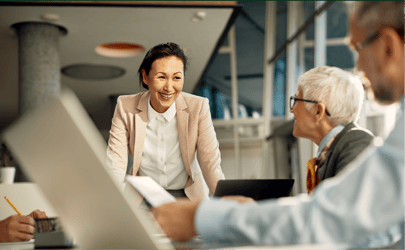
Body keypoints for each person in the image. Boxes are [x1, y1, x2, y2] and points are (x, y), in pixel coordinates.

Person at [152, 1, 404, 248]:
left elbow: (336, 219)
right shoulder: (341, 147)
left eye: (358, 48)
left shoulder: (356, 143)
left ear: (388, 46)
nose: (358, 67)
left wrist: (201, 217)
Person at [107, 42, 225, 201]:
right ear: (145, 77)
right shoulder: (126, 106)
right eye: (161, 77)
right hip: (143, 196)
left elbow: (210, 163)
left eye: (177, 78)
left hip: (186, 194)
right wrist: (110, 202)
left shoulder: (198, 107)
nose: (169, 87)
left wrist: (226, 203)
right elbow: (116, 163)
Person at [290, 66, 373, 193]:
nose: (292, 109)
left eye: (296, 100)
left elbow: (340, 207)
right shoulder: (330, 152)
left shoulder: (357, 142)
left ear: (318, 111)